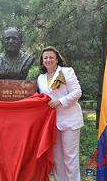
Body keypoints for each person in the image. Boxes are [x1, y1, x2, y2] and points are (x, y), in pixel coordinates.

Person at [37, 46, 84, 181]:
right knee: (57, 159)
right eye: (45, 58)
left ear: (57, 59)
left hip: (70, 121)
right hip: (52, 123)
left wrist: (60, 101)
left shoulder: (67, 72)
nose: (48, 60)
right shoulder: (40, 78)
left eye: (51, 57)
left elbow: (77, 92)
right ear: (42, 61)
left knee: (70, 157)